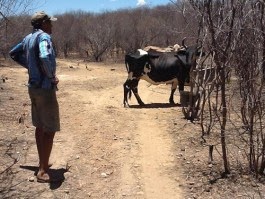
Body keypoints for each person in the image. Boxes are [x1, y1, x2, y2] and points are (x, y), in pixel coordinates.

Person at [9, 11, 60, 183]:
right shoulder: (44, 37)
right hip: (45, 89)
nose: (52, 26)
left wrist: (32, 67)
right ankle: (43, 171)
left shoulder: (27, 38)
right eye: (50, 23)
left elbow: (13, 53)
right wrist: (51, 77)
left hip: (33, 88)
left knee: (39, 127)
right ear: (43, 23)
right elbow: (45, 56)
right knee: (50, 129)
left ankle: (42, 163)